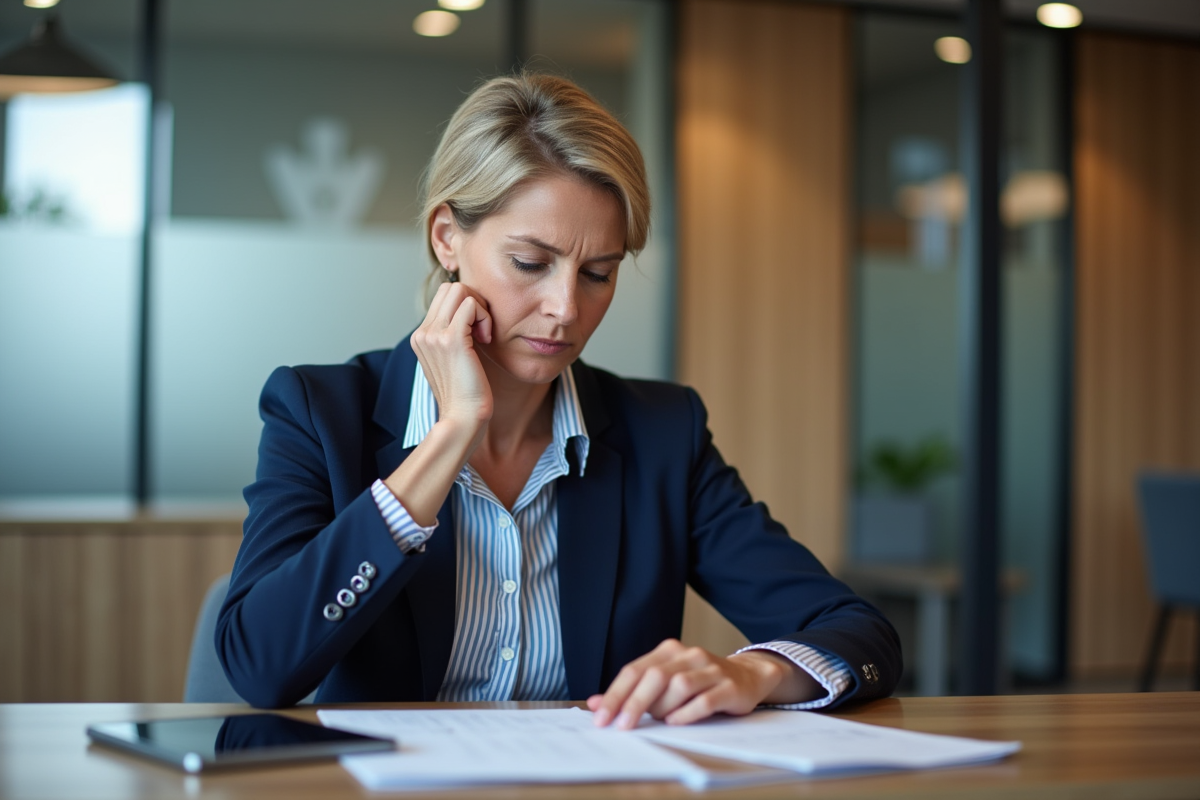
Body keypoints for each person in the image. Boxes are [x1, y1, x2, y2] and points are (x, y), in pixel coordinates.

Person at [216, 72, 900, 726]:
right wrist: (451, 433)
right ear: (448, 238)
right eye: (530, 263)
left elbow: (859, 632)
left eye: (598, 274)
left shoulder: (661, 434)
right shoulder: (317, 411)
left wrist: (753, 674)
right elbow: (259, 664)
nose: (566, 309)